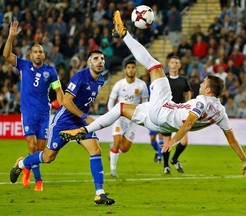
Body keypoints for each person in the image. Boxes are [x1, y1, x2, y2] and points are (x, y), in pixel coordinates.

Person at [59, 11, 246, 176]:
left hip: (163, 111)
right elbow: (232, 139)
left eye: (204, 82)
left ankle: (124, 33)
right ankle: (83, 132)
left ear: (209, 89)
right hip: (158, 122)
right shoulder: (220, 112)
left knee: (154, 65)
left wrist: (173, 139)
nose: (201, 82)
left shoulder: (203, 101)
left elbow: (188, 122)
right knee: (120, 108)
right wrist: (245, 160)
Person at [9, 49, 115, 205]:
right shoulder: (79, 77)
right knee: (48, 157)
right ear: (89, 62)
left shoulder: (100, 80)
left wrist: (83, 118)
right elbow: (66, 101)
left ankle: (99, 193)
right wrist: (85, 117)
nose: (100, 61)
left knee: (96, 150)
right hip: (63, 122)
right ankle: (22, 163)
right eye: (96, 59)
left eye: (102, 59)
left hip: (79, 122)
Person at [3, 21, 64, 192]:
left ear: (44, 56)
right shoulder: (24, 65)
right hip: (28, 112)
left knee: (41, 150)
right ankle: (38, 181)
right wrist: (11, 37)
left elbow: (58, 91)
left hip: (44, 113)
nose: (38, 54)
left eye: (41, 52)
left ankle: (25, 165)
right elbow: (6, 54)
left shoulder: (51, 71)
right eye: (35, 52)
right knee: (32, 145)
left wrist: (63, 105)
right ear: (31, 55)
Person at [107, 59, 149, 177]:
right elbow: (110, 102)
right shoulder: (119, 84)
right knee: (117, 142)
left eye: (133, 67)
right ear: (125, 70)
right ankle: (113, 171)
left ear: (136, 69)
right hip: (119, 118)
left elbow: (145, 103)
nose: (131, 69)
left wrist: (142, 116)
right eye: (129, 67)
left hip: (133, 120)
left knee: (125, 148)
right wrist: (112, 116)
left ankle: (112, 151)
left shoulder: (142, 85)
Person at [162, 55, 192, 174]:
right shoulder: (164, 80)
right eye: (172, 62)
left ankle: (174, 159)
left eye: (176, 62)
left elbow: (187, 91)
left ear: (179, 65)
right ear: (168, 65)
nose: (174, 64)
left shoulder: (183, 79)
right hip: (166, 113)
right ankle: (166, 166)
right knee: (167, 140)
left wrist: (188, 103)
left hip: (180, 113)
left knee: (184, 141)